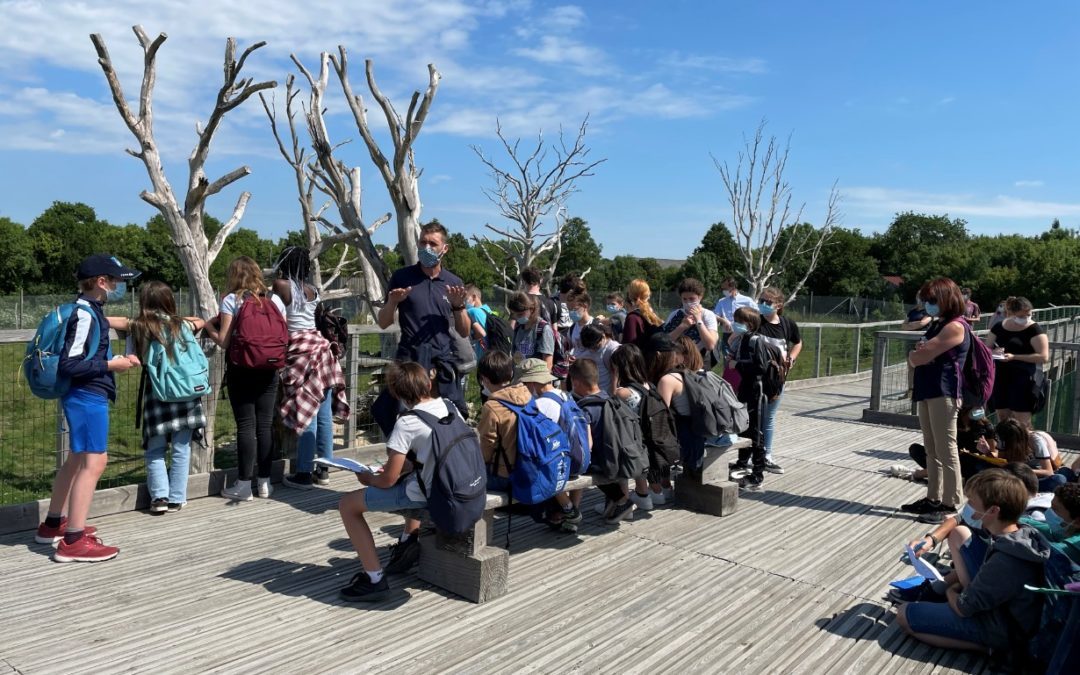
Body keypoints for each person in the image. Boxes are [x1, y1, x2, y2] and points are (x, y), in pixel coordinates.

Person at [35, 254, 141, 562]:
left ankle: (54, 524)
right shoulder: (85, 315)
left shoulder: (88, 310)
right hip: (87, 395)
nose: (121, 286)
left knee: (77, 458)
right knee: (95, 461)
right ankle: (74, 540)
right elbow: (71, 363)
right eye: (118, 280)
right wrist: (113, 365)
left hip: (84, 393)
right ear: (101, 282)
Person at [897, 469, 1051, 655]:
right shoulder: (1018, 531)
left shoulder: (1006, 560)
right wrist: (932, 539)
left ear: (993, 510)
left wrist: (951, 590)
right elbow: (959, 521)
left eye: (972, 502)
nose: (968, 506)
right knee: (959, 532)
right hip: (1011, 610)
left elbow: (963, 609)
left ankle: (990, 648)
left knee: (905, 615)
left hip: (1002, 626)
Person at [337, 361, 453, 602]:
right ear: (429, 384)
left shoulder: (406, 422)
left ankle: (374, 578)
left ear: (397, 394)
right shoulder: (448, 407)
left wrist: (369, 478)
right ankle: (407, 540)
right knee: (407, 481)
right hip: (454, 487)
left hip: (427, 494)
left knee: (348, 505)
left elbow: (388, 480)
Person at [372, 222, 471, 437]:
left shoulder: (453, 283)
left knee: (444, 420)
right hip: (409, 361)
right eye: (423, 242)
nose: (426, 247)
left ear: (445, 248)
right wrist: (392, 302)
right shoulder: (402, 277)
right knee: (397, 417)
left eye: (433, 243)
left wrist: (458, 306)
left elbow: (464, 331)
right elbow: (383, 322)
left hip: (440, 362)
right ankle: (403, 465)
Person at [204, 256, 288, 501]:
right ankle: (264, 483)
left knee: (246, 426)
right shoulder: (274, 300)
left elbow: (224, 341)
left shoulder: (232, 299)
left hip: (242, 369)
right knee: (264, 426)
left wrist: (209, 326)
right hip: (270, 369)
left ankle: (243, 484)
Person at [272, 247, 350, 490]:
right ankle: (323, 469)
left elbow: (277, 317)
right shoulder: (313, 290)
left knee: (308, 414)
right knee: (324, 413)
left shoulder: (281, 286)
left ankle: (304, 472)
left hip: (300, 350)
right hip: (322, 349)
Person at [127, 281, 207, 513]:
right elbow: (199, 321)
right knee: (182, 448)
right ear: (169, 301)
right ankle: (177, 497)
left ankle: (159, 497)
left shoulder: (142, 326)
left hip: (158, 394)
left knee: (155, 449)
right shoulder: (181, 325)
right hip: (186, 393)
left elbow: (118, 322)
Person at [902, 278, 969, 524]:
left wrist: (917, 353)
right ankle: (933, 498)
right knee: (931, 448)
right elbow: (920, 355)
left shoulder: (954, 326)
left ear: (946, 299)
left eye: (932, 300)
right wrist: (919, 354)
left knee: (946, 448)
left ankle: (951, 502)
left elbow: (918, 357)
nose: (928, 305)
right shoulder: (938, 324)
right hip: (927, 390)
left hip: (944, 392)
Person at [516, 358, 587, 532]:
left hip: (563, 467)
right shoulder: (565, 395)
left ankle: (568, 509)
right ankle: (572, 510)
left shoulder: (541, 405)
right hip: (581, 459)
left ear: (531, 382)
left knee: (531, 464)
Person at [571, 358, 636, 524]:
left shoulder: (585, 409)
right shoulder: (611, 399)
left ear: (576, 382)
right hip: (622, 456)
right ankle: (617, 501)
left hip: (604, 463)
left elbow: (587, 446)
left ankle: (573, 510)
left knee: (579, 466)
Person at [753, 286, 802, 475]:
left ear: (778, 305)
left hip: (776, 378)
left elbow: (797, 342)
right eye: (761, 301)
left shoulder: (787, 324)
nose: (763, 305)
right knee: (752, 416)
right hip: (755, 377)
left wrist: (792, 357)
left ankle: (767, 455)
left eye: (767, 302)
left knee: (769, 417)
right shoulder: (755, 322)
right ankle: (750, 455)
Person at [610, 343, 665, 509]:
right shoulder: (650, 386)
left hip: (632, 443)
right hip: (647, 438)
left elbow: (611, 401)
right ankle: (644, 494)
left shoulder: (623, 392)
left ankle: (623, 500)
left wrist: (614, 377)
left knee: (619, 448)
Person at [726, 306, 773, 492]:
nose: (736, 324)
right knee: (743, 425)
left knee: (756, 431)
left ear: (750, 324)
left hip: (757, 391)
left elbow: (760, 367)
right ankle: (742, 462)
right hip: (745, 388)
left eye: (740, 321)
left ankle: (758, 473)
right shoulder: (742, 339)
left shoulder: (756, 340)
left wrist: (737, 364)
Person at [987, 296, 1049, 427]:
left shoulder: (1034, 329)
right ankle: (1005, 446)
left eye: (1029, 314)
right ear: (1012, 314)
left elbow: (1044, 356)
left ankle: (1025, 446)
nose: (1026, 318)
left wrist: (1015, 356)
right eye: (1022, 315)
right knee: (1002, 416)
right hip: (1000, 377)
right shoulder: (999, 327)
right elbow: (987, 348)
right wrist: (994, 352)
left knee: (1022, 421)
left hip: (1023, 379)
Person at [908, 406, 1000, 483]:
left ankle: (938, 473)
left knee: (975, 467)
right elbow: (941, 452)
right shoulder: (950, 424)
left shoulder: (985, 426)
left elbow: (994, 456)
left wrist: (987, 450)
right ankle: (941, 473)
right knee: (915, 449)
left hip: (971, 464)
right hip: (950, 460)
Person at [996, 419, 1066, 493]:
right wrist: (988, 453)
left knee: (1059, 479)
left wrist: (1022, 471)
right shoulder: (1003, 439)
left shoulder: (1035, 440)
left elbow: (1049, 472)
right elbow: (1001, 461)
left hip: (1034, 477)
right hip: (1013, 477)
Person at [662, 278, 720, 366]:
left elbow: (710, 345)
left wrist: (699, 321)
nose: (688, 302)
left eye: (692, 299)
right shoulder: (675, 314)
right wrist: (682, 327)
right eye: (684, 299)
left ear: (700, 297)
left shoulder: (708, 315)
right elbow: (664, 341)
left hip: (698, 363)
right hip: (675, 362)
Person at [1021, 482, 1080, 565]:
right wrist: (1013, 518)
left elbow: (1047, 551)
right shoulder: (1068, 528)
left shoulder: (1072, 547)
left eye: (1055, 509)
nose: (1050, 511)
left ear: (1077, 522)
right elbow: (1043, 528)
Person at [507, 291, 555, 370]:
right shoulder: (518, 328)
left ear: (532, 309)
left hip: (535, 380)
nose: (516, 317)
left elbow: (548, 364)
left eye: (520, 314)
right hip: (519, 379)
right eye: (513, 314)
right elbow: (515, 357)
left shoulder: (543, 329)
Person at [576, 323, 620, 394]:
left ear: (603, 336)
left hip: (605, 395)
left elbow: (615, 376)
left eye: (595, 346)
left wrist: (613, 396)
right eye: (589, 347)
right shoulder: (587, 344)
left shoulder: (613, 349)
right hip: (588, 394)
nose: (592, 349)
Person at [621, 279, 664, 352]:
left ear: (630, 295)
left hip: (641, 360)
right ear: (648, 295)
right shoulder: (652, 314)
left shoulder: (633, 318)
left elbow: (628, 348)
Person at [713, 277, 755, 348]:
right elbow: (714, 315)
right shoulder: (721, 301)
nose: (723, 291)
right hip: (727, 334)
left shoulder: (747, 300)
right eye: (722, 289)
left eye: (725, 289)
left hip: (743, 334)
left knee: (742, 357)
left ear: (733, 287)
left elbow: (757, 315)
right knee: (727, 357)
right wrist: (723, 320)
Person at [464, 285, 492, 359]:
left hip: (482, 356)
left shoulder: (472, 311)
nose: (464, 302)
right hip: (492, 354)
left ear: (474, 297)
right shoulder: (487, 309)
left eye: (465, 299)